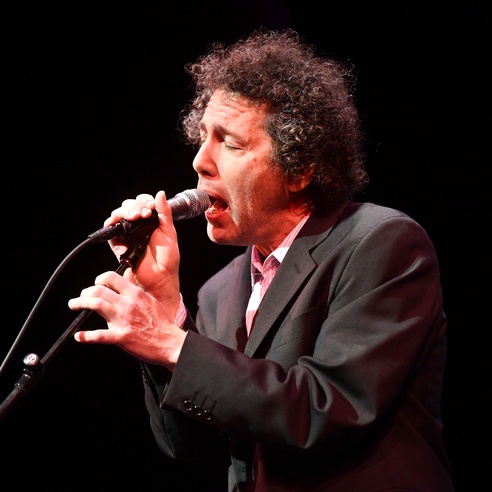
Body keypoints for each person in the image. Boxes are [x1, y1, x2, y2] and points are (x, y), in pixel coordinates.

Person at [68, 29, 455, 491]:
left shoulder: (380, 243)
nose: (200, 162)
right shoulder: (219, 291)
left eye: (230, 143)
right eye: (202, 138)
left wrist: (171, 343)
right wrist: (165, 305)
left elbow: (327, 411)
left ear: (300, 168)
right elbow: (188, 444)